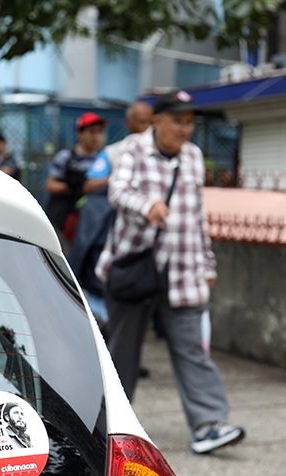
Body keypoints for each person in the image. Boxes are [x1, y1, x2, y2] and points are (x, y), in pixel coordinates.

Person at [95, 90, 245, 455]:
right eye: (177, 121)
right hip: (136, 266)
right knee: (123, 353)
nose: (184, 129)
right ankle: (107, 429)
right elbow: (117, 191)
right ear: (157, 121)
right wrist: (147, 206)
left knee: (192, 349)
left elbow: (197, 217)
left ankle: (209, 425)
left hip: (182, 270)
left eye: (189, 122)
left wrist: (208, 264)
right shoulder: (133, 148)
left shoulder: (193, 157)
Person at [69, 101, 153, 329]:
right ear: (128, 123)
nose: (146, 126)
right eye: (141, 121)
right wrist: (117, 180)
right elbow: (88, 186)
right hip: (109, 232)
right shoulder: (114, 154)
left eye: (149, 121)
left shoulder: (160, 156)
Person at [44, 112, 105, 247]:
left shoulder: (103, 159)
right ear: (80, 134)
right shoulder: (66, 157)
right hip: (65, 221)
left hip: (92, 221)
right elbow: (50, 185)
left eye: (99, 132)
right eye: (91, 132)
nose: (96, 137)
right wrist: (69, 187)